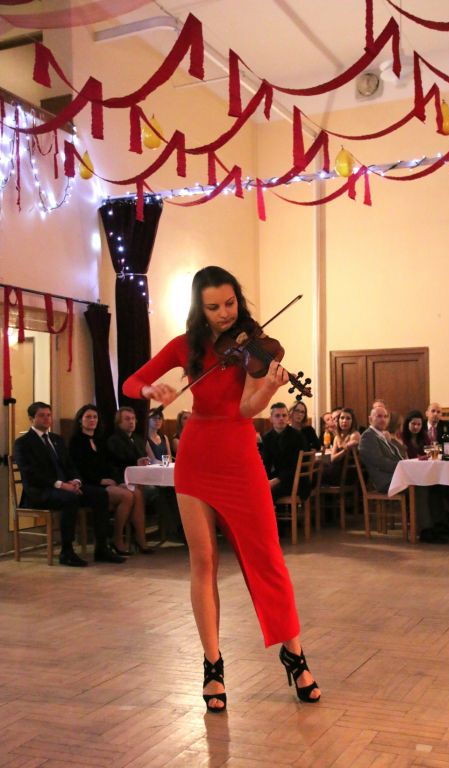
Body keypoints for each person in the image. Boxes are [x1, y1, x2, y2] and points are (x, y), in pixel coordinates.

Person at [122, 266, 320, 712]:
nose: (225, 313)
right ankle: (212, 665)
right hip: (196, 458)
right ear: (200, 307)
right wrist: (152, 389)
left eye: (230, 303)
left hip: (239, 455)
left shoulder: (253, 344)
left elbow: (247, 408)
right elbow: (131, 382)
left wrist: (269, 389)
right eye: (213, 307)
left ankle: (293, 653)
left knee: (266, 557)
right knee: (203, 560)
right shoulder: (184, 346)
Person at [14, 401, 125, 566]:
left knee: (101, 494)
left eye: (49, 415)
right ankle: (67, 552)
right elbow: (31, 473)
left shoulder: (56, 439)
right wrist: (61, 485)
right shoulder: (23, 443)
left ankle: (102, 548)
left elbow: (70, 465)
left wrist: (76, 481)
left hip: (66, 487)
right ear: (31, 419)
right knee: (69, 499)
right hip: (40, 491)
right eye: (41, 415)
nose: (46, 418)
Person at [69, 404, 148, 556]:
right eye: (88, 417)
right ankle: (117, 539)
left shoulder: (99, 440)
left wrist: (117, 481)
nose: (92, 420)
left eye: (95, 417)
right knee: (127, 496)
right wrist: (100, 481)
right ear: (80, 420)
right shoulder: (76, 441)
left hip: (106, 482)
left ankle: (140, 538)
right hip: (89, 484)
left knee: (136, 493)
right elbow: (78, 469)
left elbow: (109, 465)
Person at [358, 405, 439, 542]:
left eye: (385, 416)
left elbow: (399, 454)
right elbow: (379, 462)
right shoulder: (367, 437)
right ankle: (425, 531)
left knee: (430, 483)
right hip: (385, 481)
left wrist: (406, 461)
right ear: (370, 419)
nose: (383, 419)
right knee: (420, 486)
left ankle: (431, 526)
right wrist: (403, 466)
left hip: (396, 475)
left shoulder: (382, 435)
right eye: (379, 416)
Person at [107, 407, 156, 554]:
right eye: (127, 419)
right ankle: (138, 538)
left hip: (139, 479)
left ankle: (141, 537)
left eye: (133, 419)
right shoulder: (113, 440)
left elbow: (145, 458)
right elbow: (116, 463)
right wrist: (136, 462)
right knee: (139, 493)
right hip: (121, 479)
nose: (131, 422)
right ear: (119, 422)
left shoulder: (138, 439)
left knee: (159, 491)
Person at [145, 406, 184, 545]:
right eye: (154, 418)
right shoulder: (145, 439)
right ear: (147, 420)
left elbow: (168, 457)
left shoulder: (164, 437)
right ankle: (170, 530)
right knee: (162, 493)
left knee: (176, 491)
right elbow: (153, 460)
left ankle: (178, 529)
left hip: (165, 472)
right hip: (152, 475)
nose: (157, 421)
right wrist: (164, 463)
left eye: (159, 418)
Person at [262, 402, 310, 501]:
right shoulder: (267, 437)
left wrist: (276, 480)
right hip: (277, 476)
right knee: (255, 488)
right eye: (277, 416)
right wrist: (264, 480)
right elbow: (266, 463)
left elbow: (296, 466)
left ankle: (271, 511)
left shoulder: (297, 436)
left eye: (284, 415)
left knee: (267, 492)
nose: (281, 418)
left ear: (288, 417)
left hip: (296, 480)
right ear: (271, 419)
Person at [323, 408, 360, 484]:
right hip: (337, 469)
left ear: (352, 421)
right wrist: (345, 450)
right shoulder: (337, 437)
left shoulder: (355, 434)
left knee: (318, 474)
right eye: (342, 418)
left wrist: (345, 448)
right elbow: (333, 458)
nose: (344, 421)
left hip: (349, 473)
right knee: (317, 470)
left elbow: (342, 447)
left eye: (348, 418)